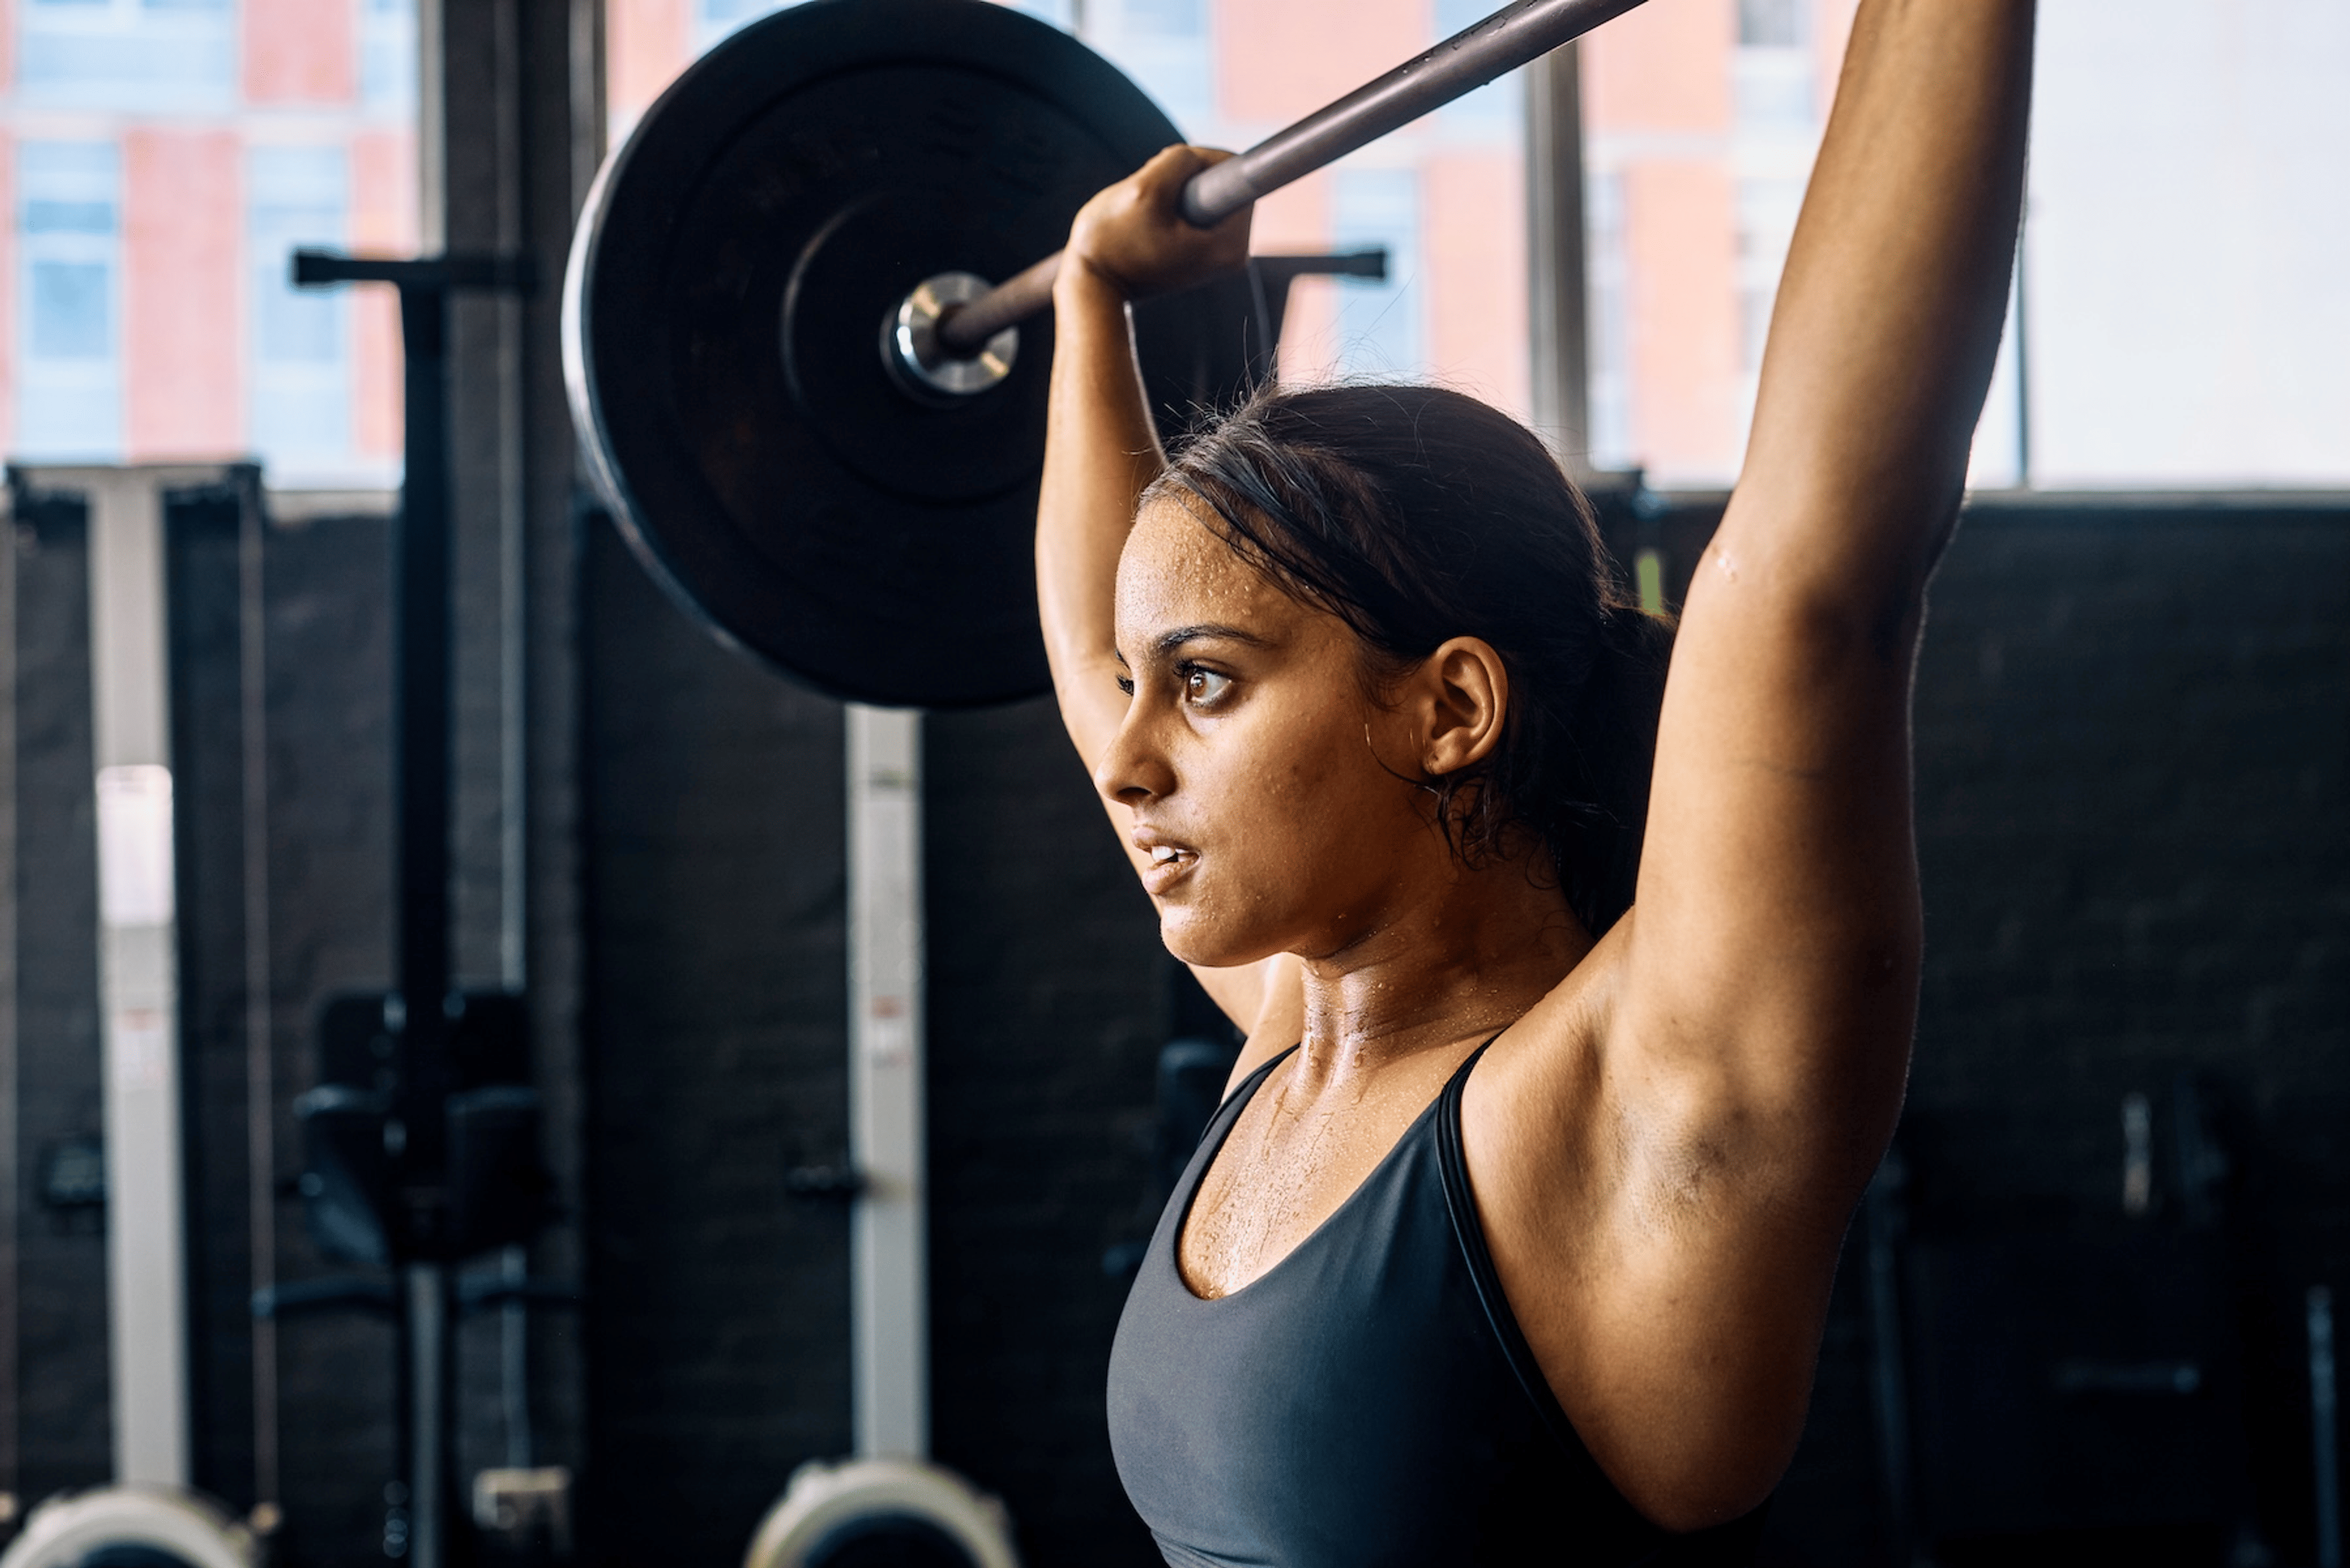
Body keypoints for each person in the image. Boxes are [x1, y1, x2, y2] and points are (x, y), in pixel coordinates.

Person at [1035, 2, 2035, 1562]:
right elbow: (1102, 645)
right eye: (1138, 689)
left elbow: (1819, 579)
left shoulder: (1627, 1110)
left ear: (1448, 709)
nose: (1126, 757)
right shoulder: (1300, 1039)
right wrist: (1090, 305)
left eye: (1208, 685)